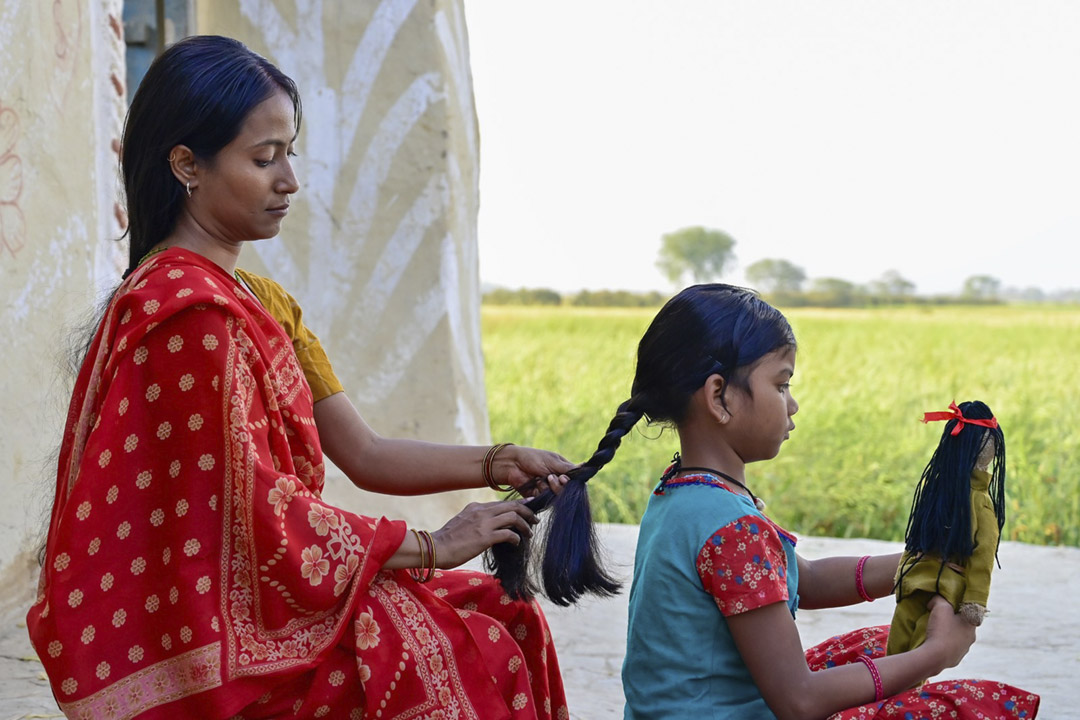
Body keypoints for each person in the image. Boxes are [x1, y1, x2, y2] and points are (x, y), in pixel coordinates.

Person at [28, 35, 573, 719]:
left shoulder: (260, 303)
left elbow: (366, 454)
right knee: (473, 649)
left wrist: (498, 461)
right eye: (265, 158)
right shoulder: (187, 316)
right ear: (186, 165)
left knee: (502, 616)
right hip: (218, 644)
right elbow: (257, 512)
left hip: (273, 610)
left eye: (290, 152)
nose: (289, 179)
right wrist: (434, 545)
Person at [494, 284, 1039, 718]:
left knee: (877, 646)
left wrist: (915, 565)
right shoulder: (730, 526)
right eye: (781, 385)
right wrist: (936, 654)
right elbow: (798, 701)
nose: (793, 404)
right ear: (718, 397)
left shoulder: (686, 492)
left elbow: (799, 575)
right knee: (973, 704)